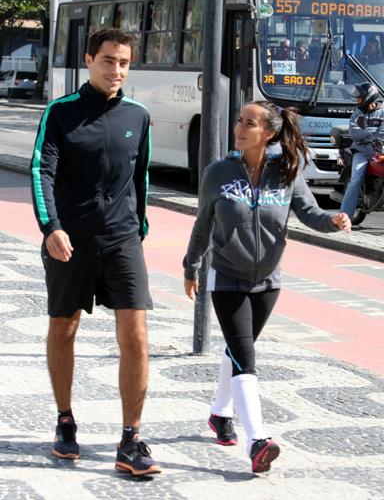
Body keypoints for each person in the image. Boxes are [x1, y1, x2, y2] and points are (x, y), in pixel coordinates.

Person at [183, 101, 351, 474]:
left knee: (238, 349)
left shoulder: (286, 171)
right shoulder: (218, 173)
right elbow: (202, 224)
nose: (239, 128)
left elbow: (310, 213)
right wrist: (191, 265)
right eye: (239, 121)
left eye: (249, 123)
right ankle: (257, 440)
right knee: (245, 355)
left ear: (270, 133)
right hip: (227, 279)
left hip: (268, 282)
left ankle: (218, 413)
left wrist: (333, 221)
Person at [30, 28, 161, 476]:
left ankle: (132, 438)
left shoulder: (139, 115)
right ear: (89, 60)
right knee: (64, 329)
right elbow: (41, 171)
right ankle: (65, 420)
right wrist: (51, 227)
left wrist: (139, 229)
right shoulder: (60, 113)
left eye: (124, 62)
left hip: (123, 240)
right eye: (109, 61)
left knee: (137, 336)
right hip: (71, 240)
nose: (117, 70)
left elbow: (141, 177)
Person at [340, 82, 384, 220]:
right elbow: (353, 133)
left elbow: (383, 134)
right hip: (362, 152)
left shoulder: (383, 112)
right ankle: (345, 216)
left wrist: (366, 134)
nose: (357, 101)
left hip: (381, 151)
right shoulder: (357, 113)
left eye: (359, 98)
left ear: (369, 97)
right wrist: (371, 134)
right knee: (356, 179)